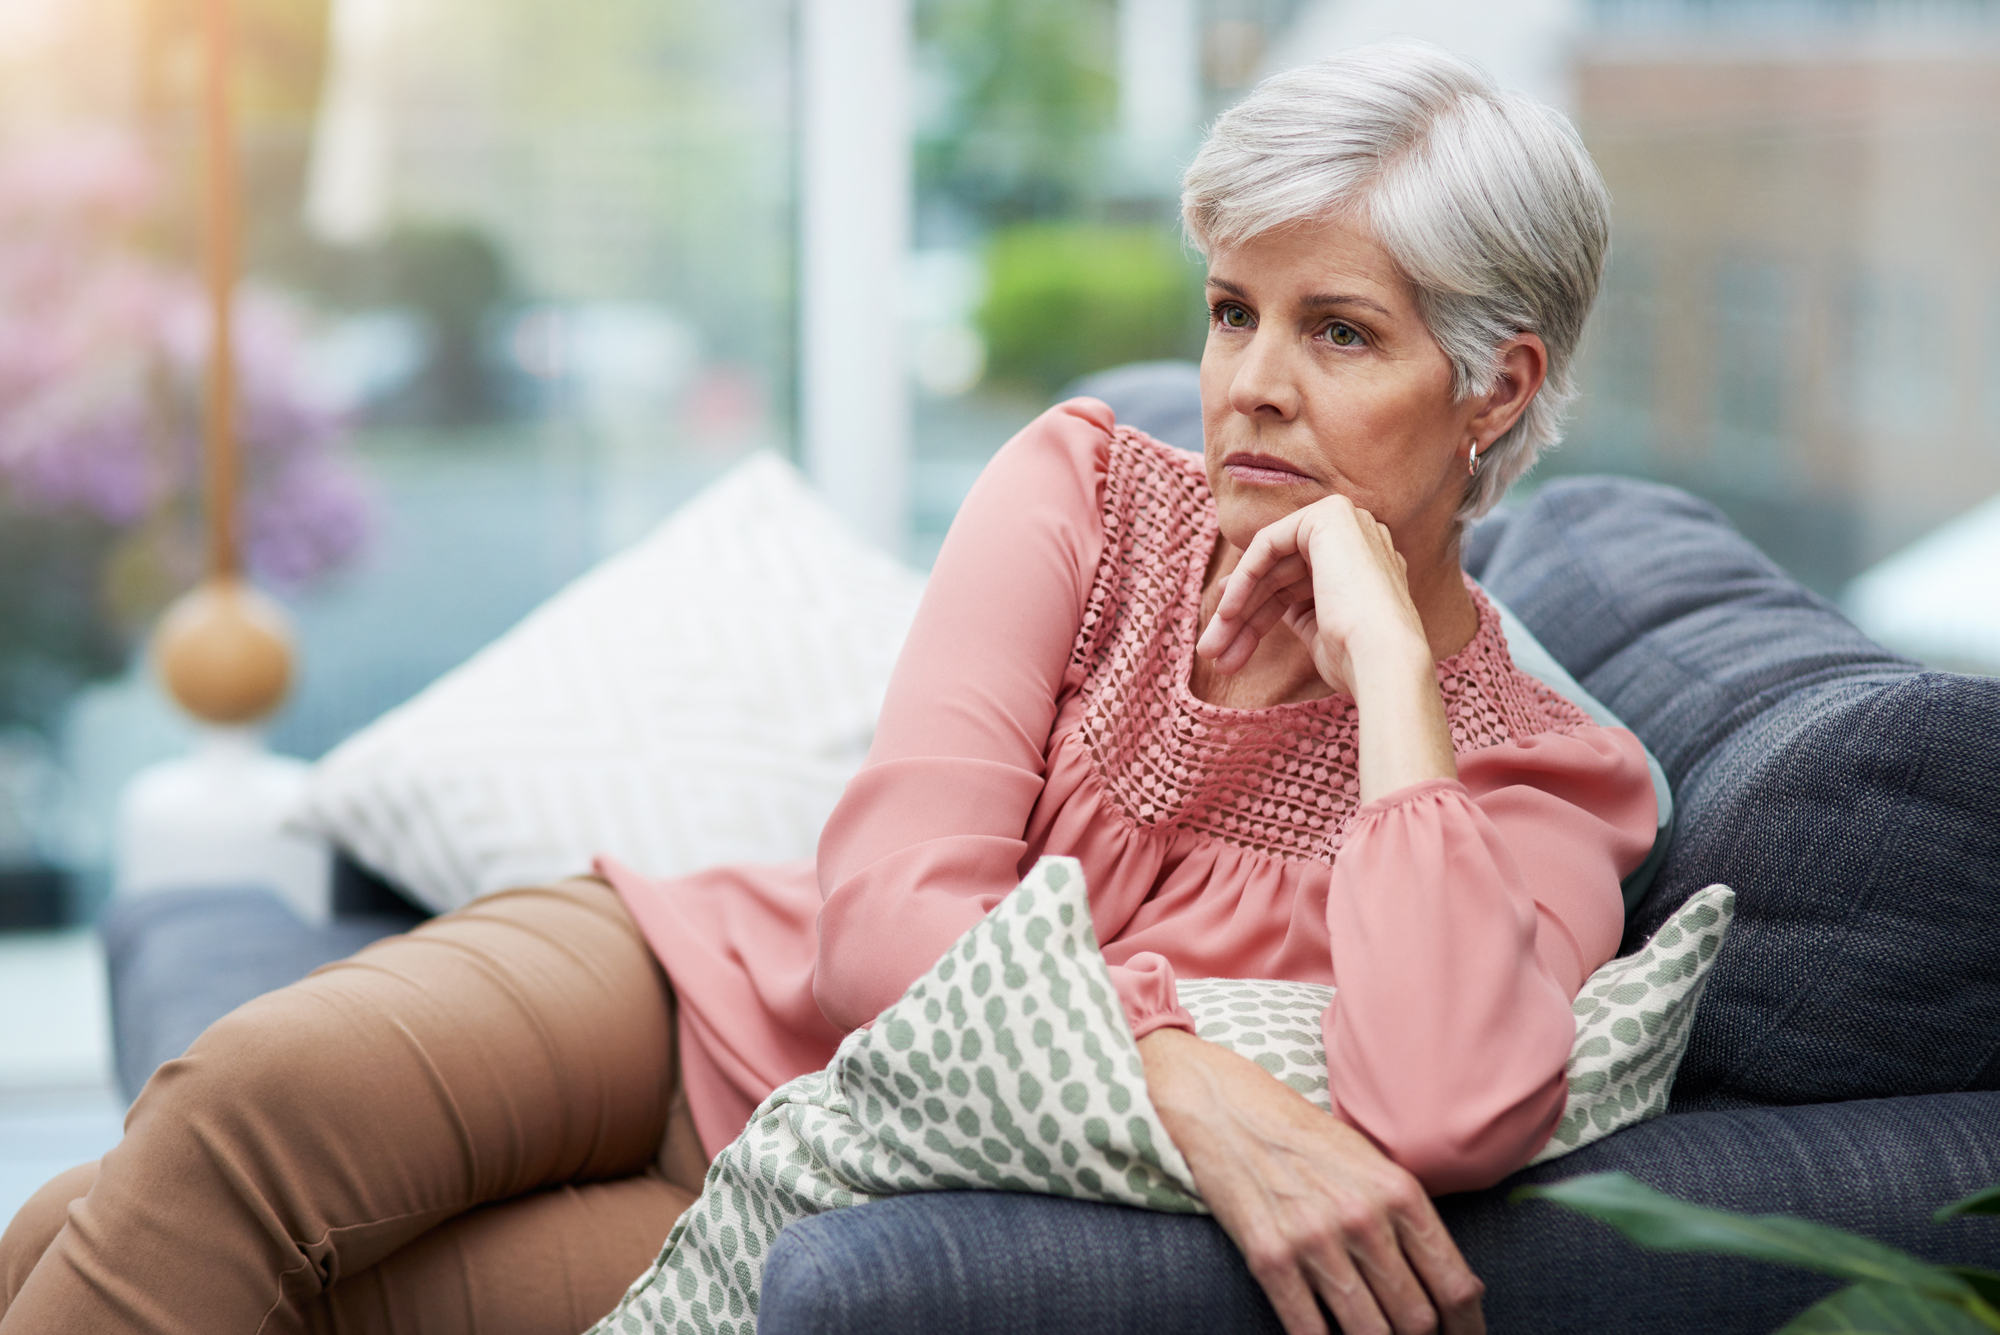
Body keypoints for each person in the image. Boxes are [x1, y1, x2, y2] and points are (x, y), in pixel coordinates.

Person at [0, 41, 1654, 1335]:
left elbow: (1446, 1109)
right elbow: (876, 918)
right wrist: (1180, 1074)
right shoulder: (1084, 494)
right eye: (1233, 313)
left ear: (1495, 387)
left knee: (94, 1246)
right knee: (240, 1107)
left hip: (813, 1190)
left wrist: (1388, 696)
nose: (1251, 388)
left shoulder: (1546, 778)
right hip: (683, 997)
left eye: (1341, 334)